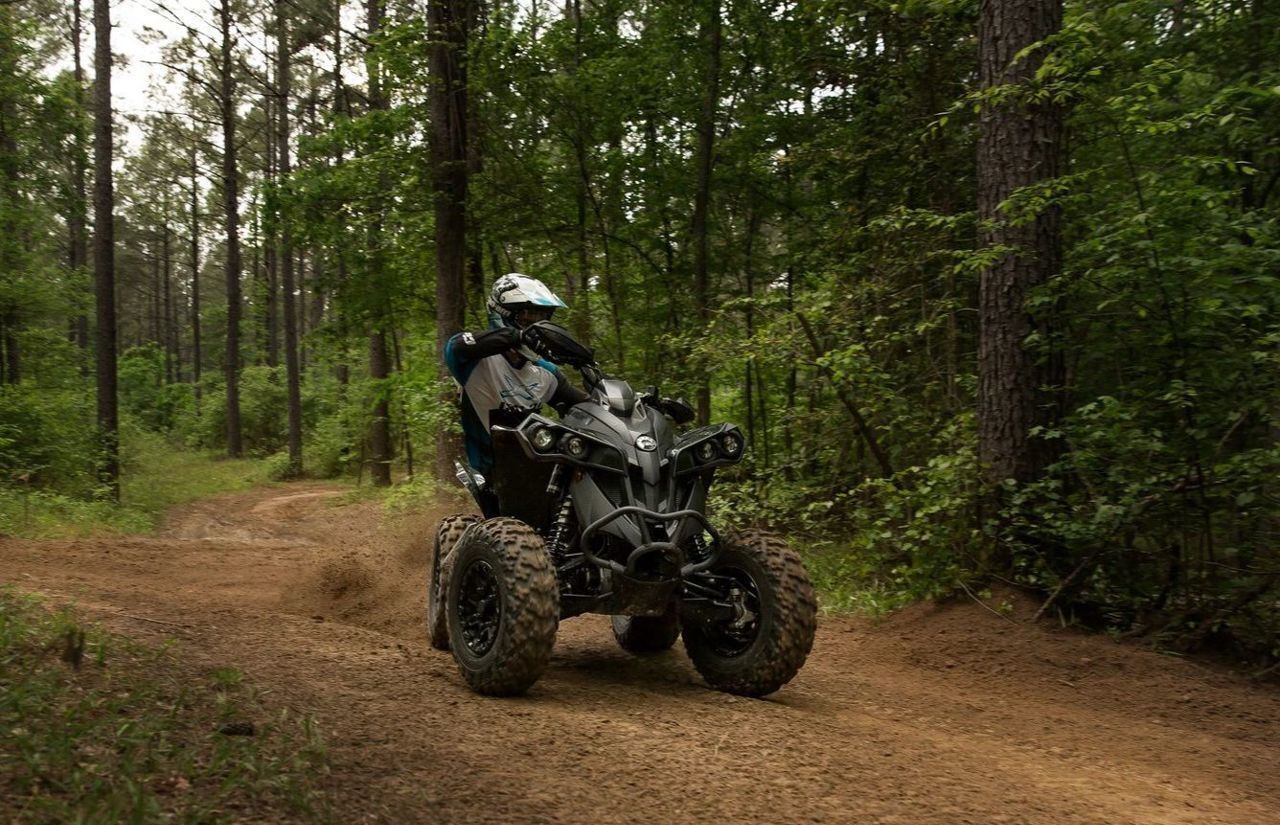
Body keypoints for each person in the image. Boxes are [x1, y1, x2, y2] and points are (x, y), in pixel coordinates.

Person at [443, 273, 589, 516]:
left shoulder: (545, 372)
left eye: (543, 317)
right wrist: (518, 336)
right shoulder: (474, 362)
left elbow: (583, 403)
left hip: (545, 473)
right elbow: (456, 345)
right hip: (492, 476)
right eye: (528, 316)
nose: (537, 325)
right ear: (503, 314)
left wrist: (632, 406)